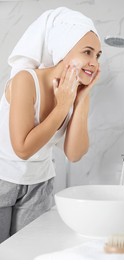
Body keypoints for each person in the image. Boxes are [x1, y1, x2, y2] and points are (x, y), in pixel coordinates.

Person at [0, 7, 102, 243]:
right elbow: (22, 149)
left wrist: (81, 99)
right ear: (63, 51)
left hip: (40, 184)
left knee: (28, 257)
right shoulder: (26, 79)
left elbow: (74, 154)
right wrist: (61, 106)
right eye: (87, 52)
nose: (94, 62)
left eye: (98, 55)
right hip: (3, 178)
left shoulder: (74, 92)